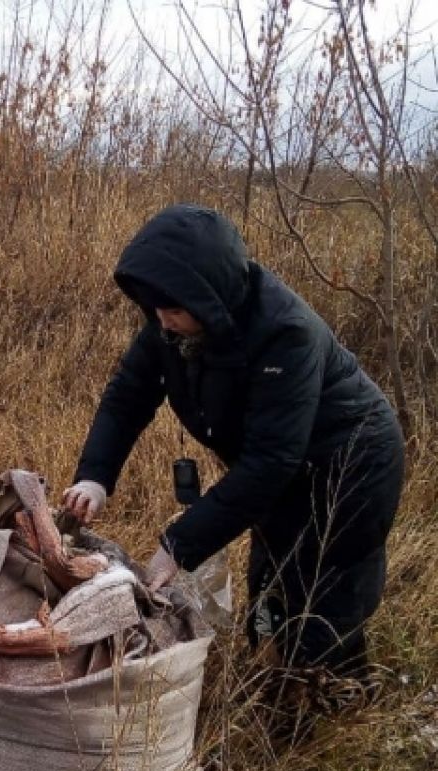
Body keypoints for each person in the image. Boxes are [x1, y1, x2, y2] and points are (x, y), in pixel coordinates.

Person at [62, 204, 405, 680]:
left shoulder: (286, 336)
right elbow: (127, 398)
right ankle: (272, 671)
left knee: (324, 591)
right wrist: (95, 477)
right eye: (156, 309)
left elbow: (271, 462)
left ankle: (326, 706)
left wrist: (178, 547)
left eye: (175, 310)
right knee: (271, 578)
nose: (163, 321)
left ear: (209, 297)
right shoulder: (170, 323)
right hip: (278, 465)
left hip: (352, 463)